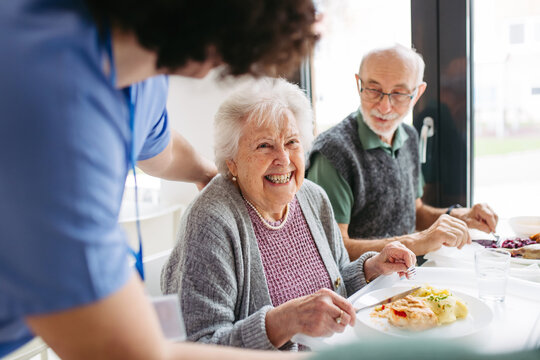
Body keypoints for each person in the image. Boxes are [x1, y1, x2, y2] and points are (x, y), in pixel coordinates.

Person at [0, 0, 319, 359]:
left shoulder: (142, 69)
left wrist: (206, 173)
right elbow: (136, 353)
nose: (231, 60)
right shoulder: (52, 124)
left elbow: (160, 147)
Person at [161, 78, 417, 351]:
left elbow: (334, 283)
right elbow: (199, 347)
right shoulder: (211, 222)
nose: (283, 159)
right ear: (231, 162)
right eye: (264, 146)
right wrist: (282, 322)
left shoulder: (312, 196)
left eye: (292, 142)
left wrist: (370, 268)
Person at [306, 44, 499, 260]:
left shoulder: (409, 136)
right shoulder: (333, 152)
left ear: (417, 93)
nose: (385, 106)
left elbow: (414, 212)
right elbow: (332, 249)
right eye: (373, 89)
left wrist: (460, 216)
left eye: (399, 93)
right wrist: (417, 242)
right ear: (358, 83)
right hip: (363, 287)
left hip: (408, 274)